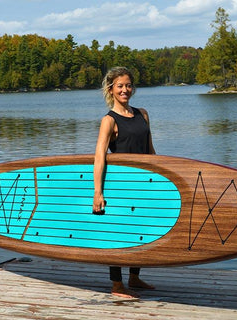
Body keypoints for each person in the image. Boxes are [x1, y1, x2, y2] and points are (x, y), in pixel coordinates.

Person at [93, 67, 156, 298]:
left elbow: (150, 150)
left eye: (128, 85)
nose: (125, 90)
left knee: (142, 230)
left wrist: (160, 177)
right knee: (118, 233)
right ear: (111, 89)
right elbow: (99, 156)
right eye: (120, 86)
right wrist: (98, 192)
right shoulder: (109, 120)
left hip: (143, 183)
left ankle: (135, 277)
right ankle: (117, 285)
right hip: (120, 186)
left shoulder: (143, 114)